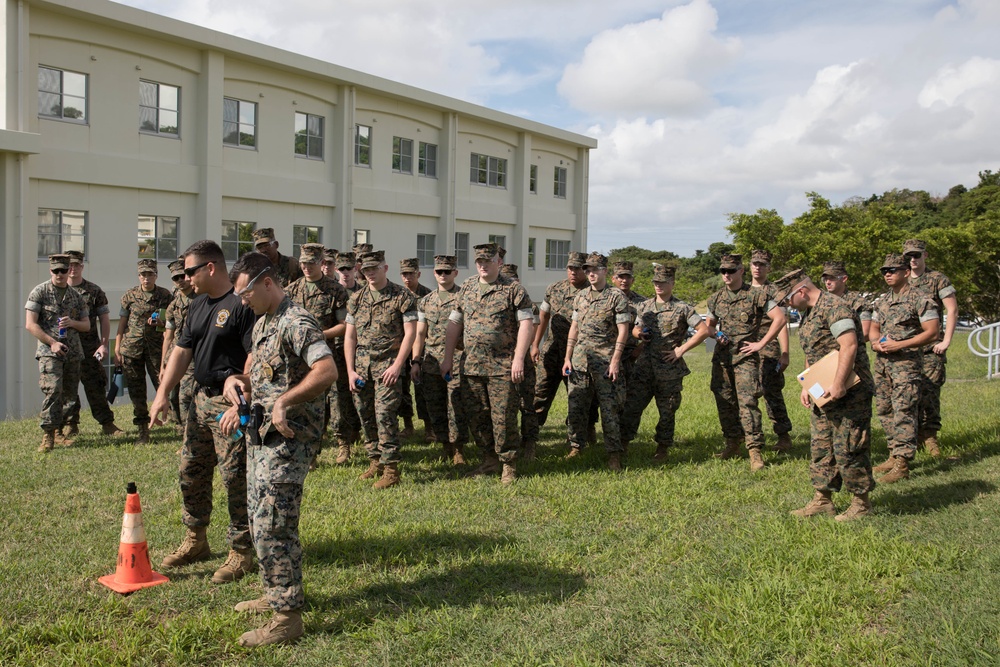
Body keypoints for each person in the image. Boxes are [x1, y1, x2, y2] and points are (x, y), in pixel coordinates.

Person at [219, 252, 336, 647]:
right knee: (258, 518)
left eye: (245, 293)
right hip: (261, 438)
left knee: (274, 523)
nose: (242, 301)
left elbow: (326, 370)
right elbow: (258, 376)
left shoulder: (296, 321)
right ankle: (276, 593)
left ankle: (287, 618)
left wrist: (285, 401)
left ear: (267, 283)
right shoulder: (263, 323)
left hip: (289, 440)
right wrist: (237, 387)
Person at [149, 240, 258, 584]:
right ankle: (196, 540)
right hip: (199, 399)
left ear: (210, 268)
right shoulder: (195, 305)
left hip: (230, 403)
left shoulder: (241, 304)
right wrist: (162, 394)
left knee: (236, 476)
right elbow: (182, 352)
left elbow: (254, 354)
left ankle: (242, 551)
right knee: (191, 469)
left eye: (190, 271)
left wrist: (242, 396)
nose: (185, 278)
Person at [777, 270, 876, 521]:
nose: (787, 305)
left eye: (787, 299)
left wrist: (840, 383)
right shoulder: (809, 313)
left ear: (801, 291)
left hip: (850, 391)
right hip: (824, 392)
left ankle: (861, 503)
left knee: (850, 446)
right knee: (822, 445)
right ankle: (823, 499)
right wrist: (806, 385)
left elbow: (849, 345)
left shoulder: (834, 307)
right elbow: (815, 351)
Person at [442, 243, 534, 484]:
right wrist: (448, 357)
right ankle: (488, 459)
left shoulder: (514, 289)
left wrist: (518, 358)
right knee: (477, 416)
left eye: (488, 261)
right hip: (471, 366)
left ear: (499, 262)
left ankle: (508, 464)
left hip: (502, 366)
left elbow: (526, 324)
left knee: (503, 417)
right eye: (479, 261)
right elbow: (455, 323)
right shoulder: (468, 288)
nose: (483, 265)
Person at [705, 253, 787, 471]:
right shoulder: (715, 298)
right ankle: (732, 443)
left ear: (741, 271)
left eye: (731, 271)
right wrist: (715, 334)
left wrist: (761, 344)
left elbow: (780, 318)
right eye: (723, 271)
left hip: (745, 357)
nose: (726, 275)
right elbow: (709, 325)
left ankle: (755, 450)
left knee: (748, 402)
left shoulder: (756, 295)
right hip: (722, 358)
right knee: (725, 401)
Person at [344, 250, 418, 489]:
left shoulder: (401, 296)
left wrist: (398, 365)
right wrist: (350, 371)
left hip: (388, 367)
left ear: (385, 268)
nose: (370, 273)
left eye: (374, 268)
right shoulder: (357, 298)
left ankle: (391, 469)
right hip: (362, 369)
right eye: (366, 270)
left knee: (385, 415)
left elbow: (411, 333)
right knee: (366, 415)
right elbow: (350, 337)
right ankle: (374, 460)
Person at [621, 263, 710, 460]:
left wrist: (681, 350)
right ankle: (623, 444)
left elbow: (704, 331)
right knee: (631, 407)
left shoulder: (682, 308)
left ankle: (662, 448)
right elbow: (634, 328)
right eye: (656, 282)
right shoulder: (644, 305)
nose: (658, 286)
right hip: (643, 368)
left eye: (663, 282)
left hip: (668, 370)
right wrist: (638, 334)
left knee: (667, 411)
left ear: (672, 283)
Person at [869, 253, 939, 484]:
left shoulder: (921, 299)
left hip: (906, 366)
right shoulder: (882, 301)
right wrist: (875, 341)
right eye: (884, 271)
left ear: (906, 272)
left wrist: (900, 344)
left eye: (892, 270)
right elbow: (874, 328)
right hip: (883, 365)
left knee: (904, 411)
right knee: (885, 410)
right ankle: (893, 453)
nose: (887, 274)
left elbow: (932, 332)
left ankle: (903, 463)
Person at [562, 252, 632, 469]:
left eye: (595, 270)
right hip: (580, 361)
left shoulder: (616, 296)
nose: (590, 274)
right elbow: (574, 328)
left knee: (610, 410)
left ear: (604, 271)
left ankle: (613, 453)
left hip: (605, 362)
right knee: (576, 407)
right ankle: (576, 446)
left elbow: (623, 330)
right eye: (588, 270)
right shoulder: (581, 297)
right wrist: (567, 357)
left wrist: (615, 360)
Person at [285, 243, 349, 464]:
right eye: (303, 263)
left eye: (311, 263)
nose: (306, 267)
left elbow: (344, 325)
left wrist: (321, 335)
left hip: (329, 355)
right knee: (304, 403)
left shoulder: (335, 290)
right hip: (299, 359)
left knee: (337, 402)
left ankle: (343, 444)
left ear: (322, 264)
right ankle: (309, 452)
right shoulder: (292, 290)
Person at [25, 254, 90, 451]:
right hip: (49, 351)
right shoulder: (40, 292)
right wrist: (52, 343)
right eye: (56, 271)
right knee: (53, 390)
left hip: (72, 351)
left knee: (69, 393)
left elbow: (86, 325)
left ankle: (60, 432)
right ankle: (48, 436)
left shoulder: (76, 296)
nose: (60, 274)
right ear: (50, 271)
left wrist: (73, 323)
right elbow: (30, 324)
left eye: (64, 270)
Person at [531, 251, 598, 441]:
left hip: (579, 354)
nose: (573, 272)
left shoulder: (592, 292)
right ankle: (530, 438)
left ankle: (580, 436)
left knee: (580, 397)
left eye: (578, 268)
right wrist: (536, 344)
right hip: (552, 351)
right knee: (540, 393)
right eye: (570, 268)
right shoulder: (555, 288)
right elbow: (544, 315)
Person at [412, 255, 470, 465]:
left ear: (455, 272)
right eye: (439, 272)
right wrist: (416, 361)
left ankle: (459, 449)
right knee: (435, 406)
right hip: (431, 362)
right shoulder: (425, 301)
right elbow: (420, 334)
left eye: (447, 271)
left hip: (457, 359)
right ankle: (445, 445)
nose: (443, 275)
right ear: (434, 273)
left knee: (456, 405)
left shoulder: (464, 297)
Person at [904, 239, 958, 457]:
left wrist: (946, 342)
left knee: (930, 393)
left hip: (931, 348)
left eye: (917, 255)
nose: (913, 259)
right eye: (909, 256)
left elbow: (952, 310)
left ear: (925, 255)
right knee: (908, 395)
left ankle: (930, 436)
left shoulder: (937, 279)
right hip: (907, 349)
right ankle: (912, 439)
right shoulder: (902, 279)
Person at [64, 250, 123, 437]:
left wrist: (104, 344)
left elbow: (104, 319)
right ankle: (70, 424)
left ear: (82, 266)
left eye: (77, 265)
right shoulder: (56, 291)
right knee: (68, 387)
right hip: (66, 348)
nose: (73, 269)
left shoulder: (94, 291)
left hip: (90, 348)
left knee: (95, 386)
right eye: (70, 265)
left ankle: (107, 423)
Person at [115, 258, 173, 444]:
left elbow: (172, 324)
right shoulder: (130, 296)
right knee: (136, 390)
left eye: (150, 274)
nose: (146, 278)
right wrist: (117, 347)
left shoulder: (165, 296)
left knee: (163, 385)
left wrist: (161, 324)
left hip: (156, 349)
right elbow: (122, 324)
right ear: (139, 276)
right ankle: (143, 430)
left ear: (156, 275)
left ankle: (175, 421)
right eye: (143, 274)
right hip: (132, 349)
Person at [748, 250, 793, 453]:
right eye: (755, 263)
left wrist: (785, 353)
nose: (758, 267)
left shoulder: (775, 291)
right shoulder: (742, 289)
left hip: (769, 348)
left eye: (762, 264)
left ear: (769, 267)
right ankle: (748, 436)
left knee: (771, 392)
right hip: (746, 348)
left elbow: (782, 323)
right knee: (745, 394)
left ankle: (783, 435)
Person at [499, 263, 539, 460]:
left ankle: (530, 443)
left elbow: (532, 329)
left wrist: (524, 353)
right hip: (501, 362)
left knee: (527, 403)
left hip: (523, 362)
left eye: (514, 280)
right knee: (505, 407)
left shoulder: (529, 304)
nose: (511, 284)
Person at [330, 251, 363, 463]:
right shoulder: (332, 292)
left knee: (358, 396)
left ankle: (359, 432)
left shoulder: (363, 292)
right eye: (341, 268)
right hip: (336, 351)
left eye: (348, 268)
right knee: (338, 398)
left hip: (360, 352)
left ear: (355, 269)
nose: (345, 272)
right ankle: (344, 444)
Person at [161, 259, 196, 435]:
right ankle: (181, 429)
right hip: (175, 354)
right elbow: (168, 336)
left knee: (186, 397)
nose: (180, 280)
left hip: (195, 357)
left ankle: (188, 435)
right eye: (176, 278)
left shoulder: (202, 299)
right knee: (174, 396)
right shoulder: (173, 305)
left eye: (182, 276)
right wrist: (163, 365)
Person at [398, 258, 432, 438]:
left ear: (418, 274)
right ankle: (408, 425)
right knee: (403, 389)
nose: (408, 277)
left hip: (422, 349)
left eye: (411, 273)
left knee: (423, 389)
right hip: (402, 348)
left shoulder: (427, 296)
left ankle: (429, 428)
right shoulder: (397, 295)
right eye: (404, 274)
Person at [821, 260, 873, 338]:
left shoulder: (858, 302)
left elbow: (865, 333)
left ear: (844, 279)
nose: (828, 282)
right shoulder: (821, 302)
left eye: (832, 278)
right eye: (825, 279)